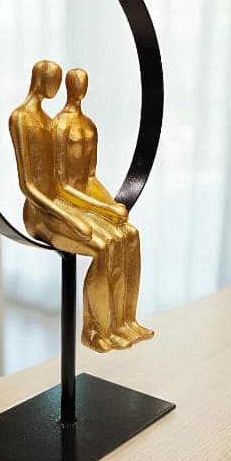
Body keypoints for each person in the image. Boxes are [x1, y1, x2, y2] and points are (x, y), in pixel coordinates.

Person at [54, 68, 153, 348]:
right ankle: (97, 328)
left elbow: (91, 177)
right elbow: (63, 185)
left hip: (87, 198)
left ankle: (125, 321)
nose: (79, 88)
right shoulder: (60, 126)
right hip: (68, 202)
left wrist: (111, 206)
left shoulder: (89, 125)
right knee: (106, 244)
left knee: (129, 235)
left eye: (83, 84)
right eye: (75, 83)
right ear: (68, 87)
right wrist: (105, 211)